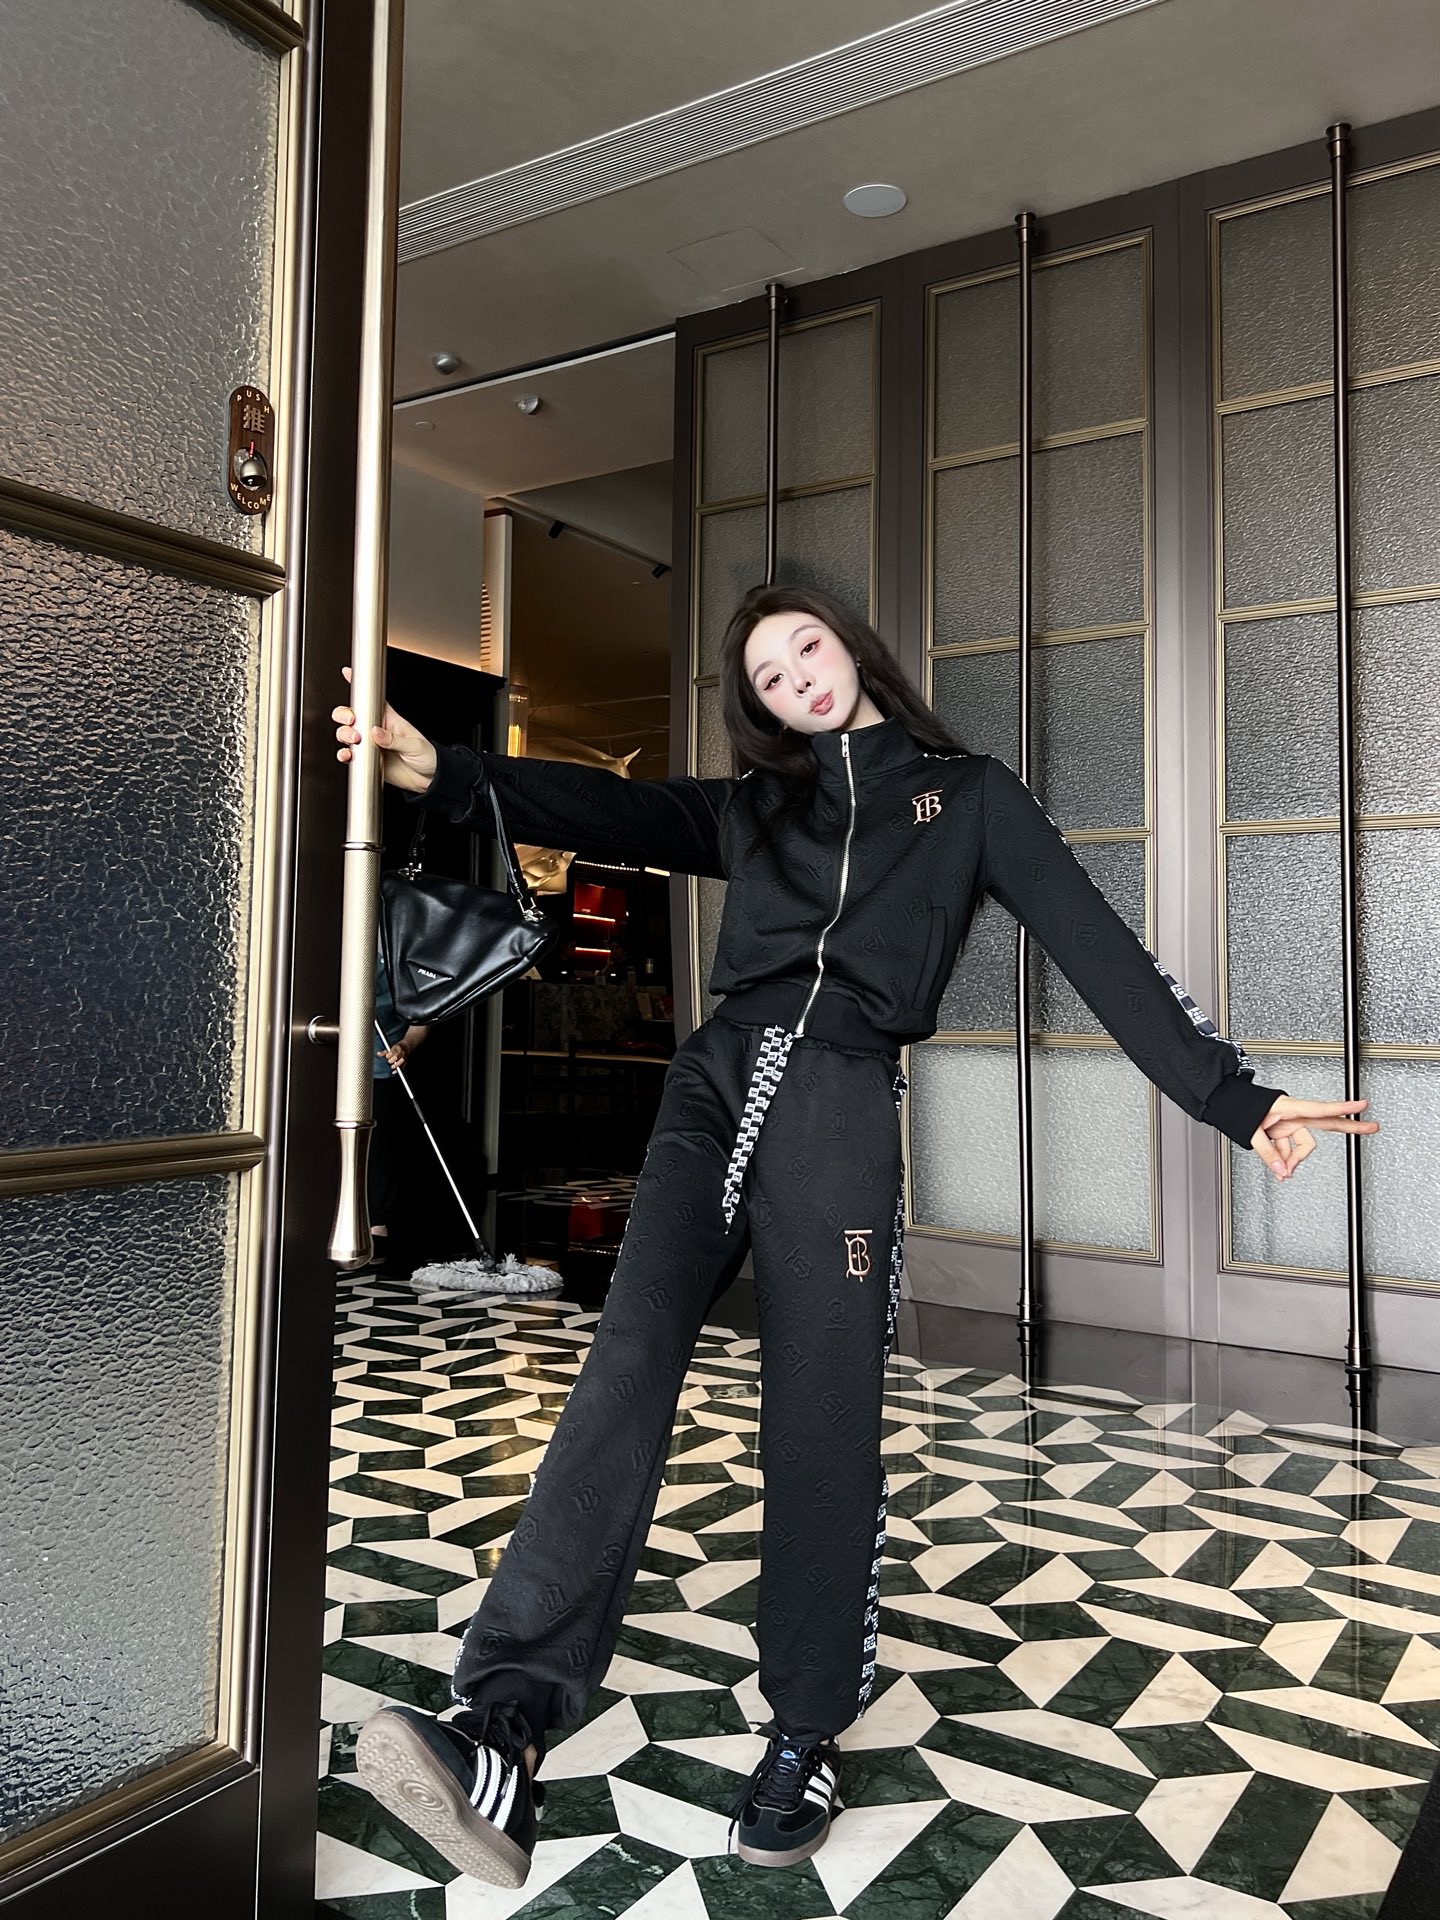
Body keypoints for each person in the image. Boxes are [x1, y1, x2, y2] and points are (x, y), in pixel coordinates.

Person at [332, 585, 1378, 1888]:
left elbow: (1099, 947)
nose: (797, 680)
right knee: (624, 1368)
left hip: (835, 1106)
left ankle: (805, 1732)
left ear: (850, 645)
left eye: (806, 649)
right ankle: (502, 1728)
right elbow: (614, 809)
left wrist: (1236, 1098)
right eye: (769, 677)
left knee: (819, 1422)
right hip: (713, 1092)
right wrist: (448, 769)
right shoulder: (758, 808)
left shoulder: (969, 797)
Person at [351, 945, 429, 1276]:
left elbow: (421, 1020)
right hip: (333, 1056)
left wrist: (404, 1047)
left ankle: (376, 1226)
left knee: (375, 1145)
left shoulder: (409, 952)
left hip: (380, 1062)